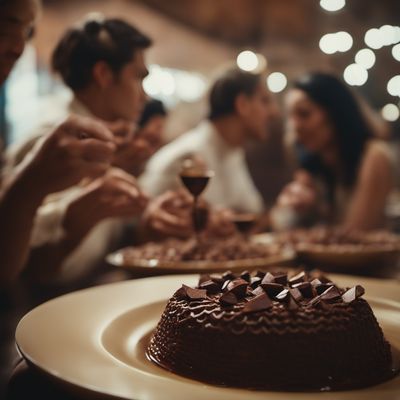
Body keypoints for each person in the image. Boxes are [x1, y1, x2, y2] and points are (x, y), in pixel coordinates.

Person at [0, 1, 126, 285]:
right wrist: (68, 217)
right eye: (8, 24)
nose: (19, 49)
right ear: (104, 74)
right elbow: (25, 278)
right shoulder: (53, 141)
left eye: (28, 32)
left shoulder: (105, 146)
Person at [140, 68, 278, 214]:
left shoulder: (232, 150)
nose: (274, 112)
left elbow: (251, 211)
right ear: (242, 104)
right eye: (265, 101)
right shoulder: (186, 157)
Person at [272, 72, 394, 230]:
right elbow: (278, 227)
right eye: (291, 117)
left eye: (304, 114)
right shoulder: (313, 164)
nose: (296, 127)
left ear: (336, 112)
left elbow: (355, 234)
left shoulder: (374, 155)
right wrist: (294, 209)